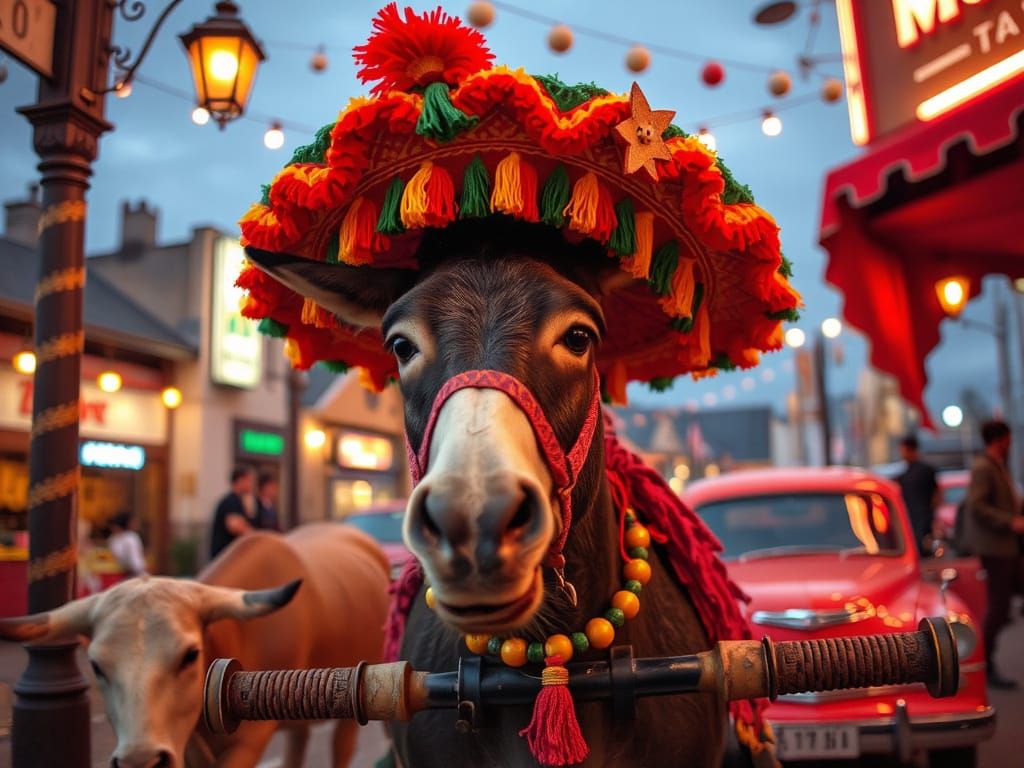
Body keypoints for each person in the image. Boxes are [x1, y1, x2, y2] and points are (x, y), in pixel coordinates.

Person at [963, 419, 1024, 689]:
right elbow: (976, 505)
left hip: (1008, 546)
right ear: (1000, 439)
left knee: (1003, 604)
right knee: (998, 607)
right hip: (996, 547)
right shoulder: (984, 467)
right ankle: (985, 663)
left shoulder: (997, 465)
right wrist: (1008, 521)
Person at [895, 435, 938, 555]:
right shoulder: (907, 473)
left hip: (921, 516)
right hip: (915, 515)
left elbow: (936, 494)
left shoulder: (922, 471)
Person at [209, 466, 258, 560]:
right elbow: (235, 526)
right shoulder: (230, 501)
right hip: (224, 559)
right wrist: (259, 537)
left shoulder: (240, 501)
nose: (251, 484)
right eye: (249, 480)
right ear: (240, 481)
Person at [107, 511, 147, 578]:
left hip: (116, 574)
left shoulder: (112, 538)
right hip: (131, 574)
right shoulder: (131, 538)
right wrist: (143, 572)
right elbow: (136, 561)